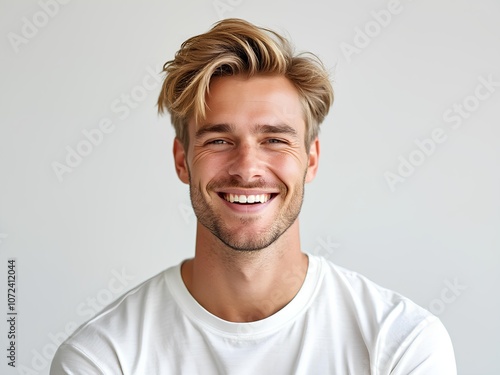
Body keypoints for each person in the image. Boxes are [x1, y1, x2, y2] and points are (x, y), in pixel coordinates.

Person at [51, 18, 457, 374]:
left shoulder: (401, 346)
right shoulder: (103, 358)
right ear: (182, 160)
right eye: (219, 140)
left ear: (310, 160)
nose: (247, 168)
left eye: (275, 139)